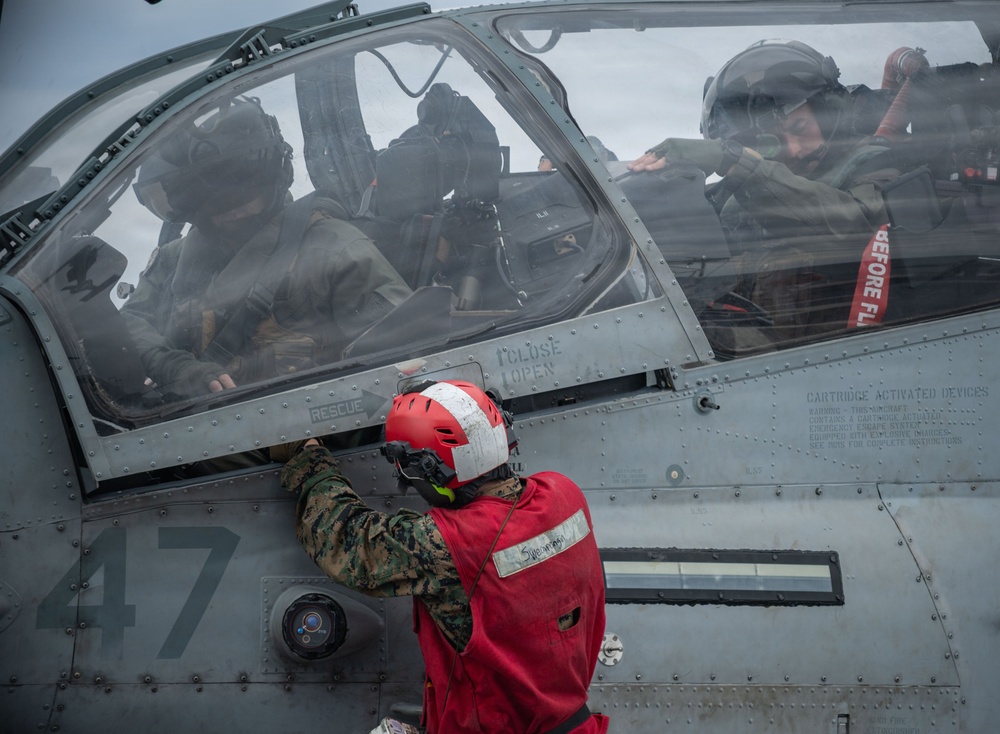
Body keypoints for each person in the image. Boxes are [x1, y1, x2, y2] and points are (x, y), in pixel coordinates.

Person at [281, 380, 609, 734]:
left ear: (430, 471)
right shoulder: (564, 493)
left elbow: (346, 538)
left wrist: (308, 455)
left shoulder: (448, 545)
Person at [123, 96, 411, 400]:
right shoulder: (174, 260)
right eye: (213, 200)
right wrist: (170, 365)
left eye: (244, 190)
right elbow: (126, 327)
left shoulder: (335, 249)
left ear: (272, 176)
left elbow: (409, 353)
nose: (231, 209)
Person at [629, 40, 907, 336]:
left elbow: (859, 220)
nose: (795, 150)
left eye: (799, 129)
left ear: (829, 110)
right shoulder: (744, 190)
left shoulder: (875, 164)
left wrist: (735, 161)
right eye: (772, 143)